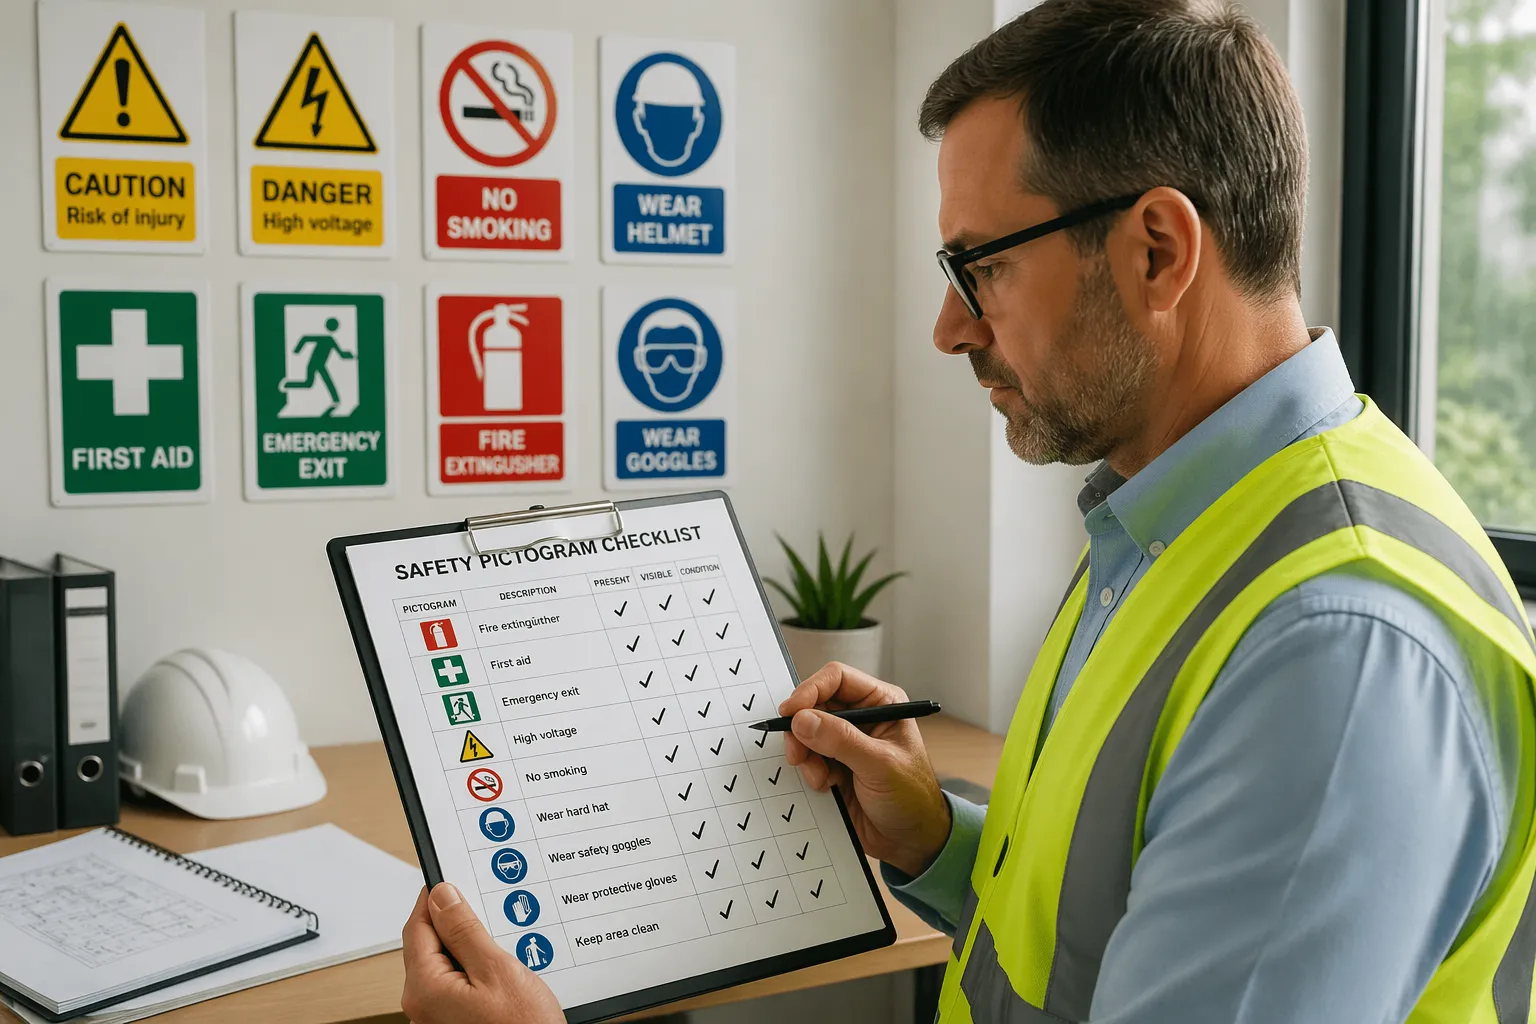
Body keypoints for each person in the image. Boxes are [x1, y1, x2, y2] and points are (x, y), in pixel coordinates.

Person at [400, 2, 1536, 1022]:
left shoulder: (1335, 652)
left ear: (1157, 250)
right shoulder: (1173, 514)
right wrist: (939, 836)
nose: (949, 327)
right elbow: (1102, 919)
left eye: (979, 265)